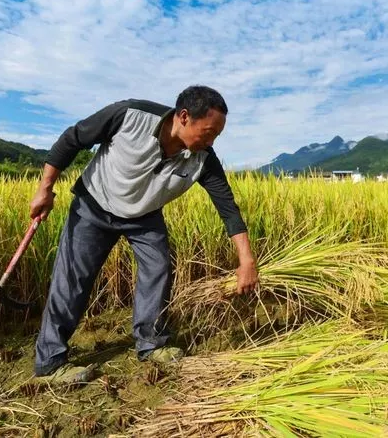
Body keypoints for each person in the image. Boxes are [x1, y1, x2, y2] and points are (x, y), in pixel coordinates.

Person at [29, 85, 258, 384]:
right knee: (72, 278)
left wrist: (246, 259)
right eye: (209, 131)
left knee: (158, 268)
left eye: (217, 135)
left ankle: (151, 344)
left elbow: (227, 207)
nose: (211, 140)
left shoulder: (202, 158)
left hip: (144, 216)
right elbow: (73, 139)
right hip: (94, 205)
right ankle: (49, 363)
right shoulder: (130, 115)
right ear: (184, 117)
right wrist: (45, 188)